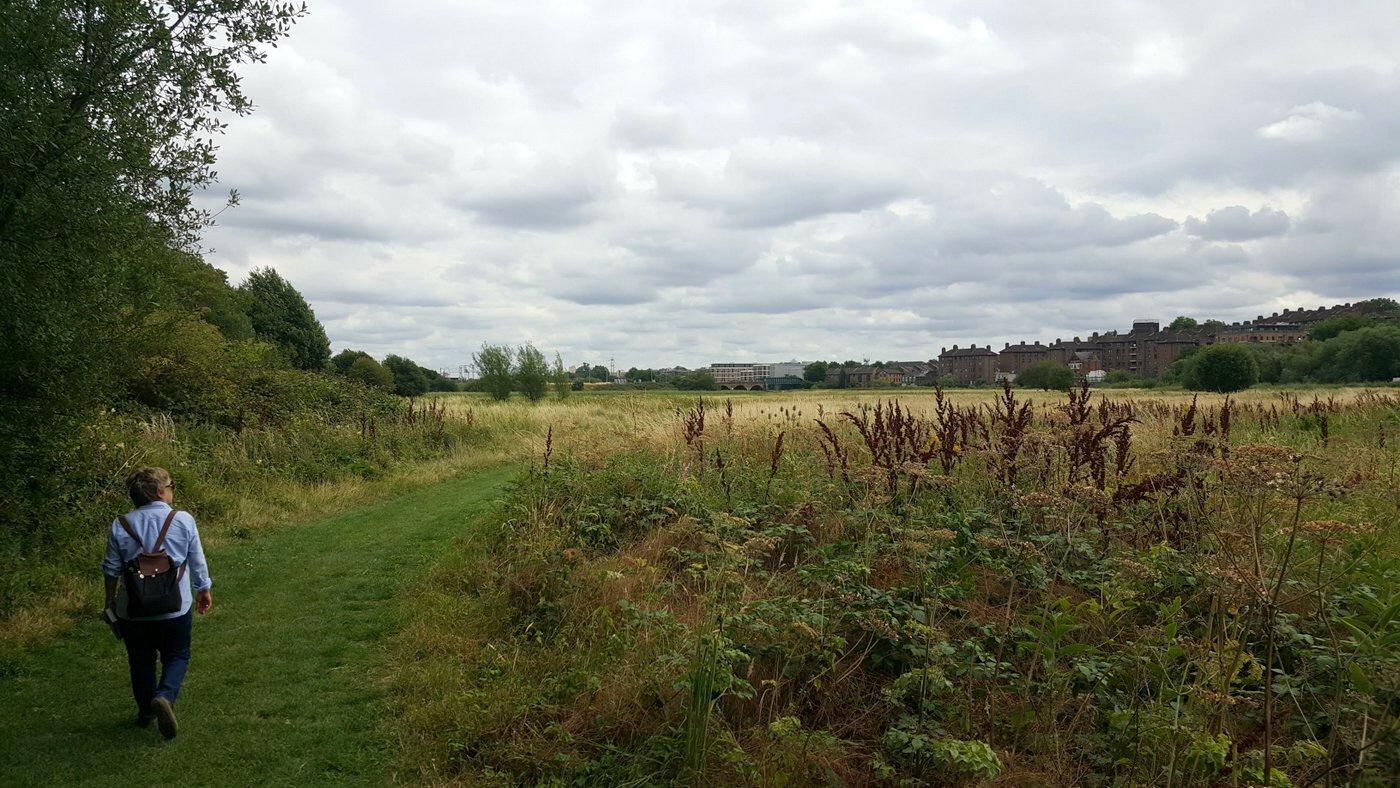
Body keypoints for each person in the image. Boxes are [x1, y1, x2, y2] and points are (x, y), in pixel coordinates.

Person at [102, 467, 213, 739]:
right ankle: (164, 695)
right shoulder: (183, 520)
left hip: (133, 610)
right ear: (160, 492)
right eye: (171, 485)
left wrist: (110, 602)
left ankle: (145, 712)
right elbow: (196, 559)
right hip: (175, 606)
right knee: (177, 655)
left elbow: (111, 569)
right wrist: (203, 589)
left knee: (140, 661)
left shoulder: (121, 524)